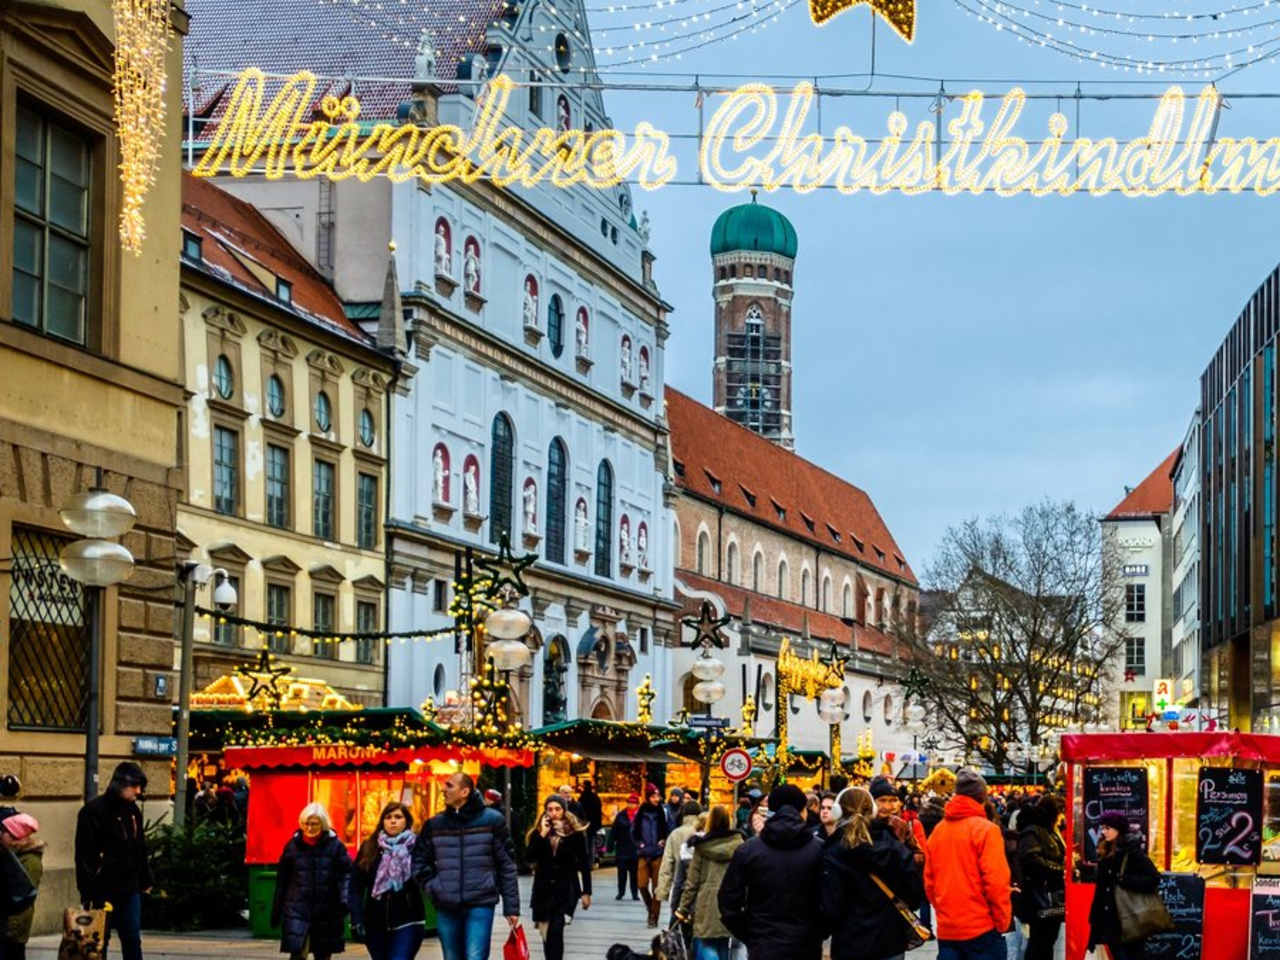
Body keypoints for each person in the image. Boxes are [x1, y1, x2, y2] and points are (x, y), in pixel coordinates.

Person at [413, 772, 520, 960]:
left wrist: (511, 907)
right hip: (446, 903)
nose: (443, 789)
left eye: (449, 785)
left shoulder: (492, 820)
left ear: (465, 791)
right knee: (452, 957)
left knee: (475, 956)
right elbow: (419, 861)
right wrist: (434, 886)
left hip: (481, 902)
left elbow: (507, 865)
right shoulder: (435, 824)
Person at [718, 784, 824, 960]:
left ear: (771, 811)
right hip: (805, 944)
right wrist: (818, 932)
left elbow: (728, 900)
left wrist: (750, 933)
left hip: (763, 942)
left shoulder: (749, 850)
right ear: (803, 811)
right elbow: (830, 899)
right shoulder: (819, 849)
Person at [821, 787, 924, 960]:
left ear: (838, 812)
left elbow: (830, 907)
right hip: (890, 940)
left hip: (850, 942)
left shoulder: (834, 850)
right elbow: (914, 893)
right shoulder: (892, 844)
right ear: (873, 810)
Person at [924, 769, 1012, 960]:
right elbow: (996, 882)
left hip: (948, 928)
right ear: (982, 796)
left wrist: (944, 910)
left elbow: (929, 883)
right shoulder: (987, 831)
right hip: (981, 928)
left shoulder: (938, 831)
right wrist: (1002, 921)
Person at [75, 762, 152, 960]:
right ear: (120, 784)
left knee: (132, 937)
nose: (138, 791)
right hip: (103, 887)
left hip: (130, 886)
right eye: (134, 786)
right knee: (100, 938)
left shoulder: (133, 811)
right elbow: (84, 855)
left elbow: (139, 847)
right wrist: (87, 891)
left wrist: (145, 880)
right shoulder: (93, 812)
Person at [272, 803, 351, 960]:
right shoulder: (292, 847)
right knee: (298, 953)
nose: (309, 828)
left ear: (323, 824)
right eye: (306, 824)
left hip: (327, 910)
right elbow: (283, 880)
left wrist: (344, 902)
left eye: (314, 824)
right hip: (297, 909)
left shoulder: (336, 847)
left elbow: (345, 875)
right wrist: (277, 911)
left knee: (323, 954)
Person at [349, 802, 424, 960]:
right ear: (382, 821)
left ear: (407, 821)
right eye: (388, 817)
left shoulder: (417, 847)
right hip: (375, 922)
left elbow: (427, 877)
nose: (393, 821)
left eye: (398, 817)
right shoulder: (369, 847)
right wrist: (356, 919)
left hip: (408, 920)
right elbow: (355, 887)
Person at [526, 796, 592, 960]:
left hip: (566, 890)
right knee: (546, 934)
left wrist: (586, 892)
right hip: (543, 891)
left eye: (557, 809)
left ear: (564, 810)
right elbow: (529, 857)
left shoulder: (575, 833)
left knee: (556, 931)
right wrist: (542, 833)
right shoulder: (539, 832)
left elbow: (584, 864)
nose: (554, 813)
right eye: (550, 809)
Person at [1087, 814, 1161, 960]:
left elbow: (1154, 878)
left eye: (1108, 828)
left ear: (1118, 829)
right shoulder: (1104, 851)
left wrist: (1125, 880)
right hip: (1111, 922)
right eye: (1102, 828)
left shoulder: (1131, 851)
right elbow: (1100, 893)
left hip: (1131, 919)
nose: (1103, 832)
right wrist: (1094, 930)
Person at [676, 805, 744, 960]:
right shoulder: (739, 846)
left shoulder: (701, 848)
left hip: (706, 904)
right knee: (723, 944)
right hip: (730, 903)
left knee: (706, 944)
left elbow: (692, 883)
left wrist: (683, 909)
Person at [1016, 797, 1065, 960]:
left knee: (1048, 938)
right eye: (1060, 812)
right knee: (1041, 939)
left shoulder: (1050, 831)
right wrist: (1059, 870)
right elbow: (1031, 860)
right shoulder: (1033, 831)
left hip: (1052, 898)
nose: (1062, 817)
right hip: (1040, 899)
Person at [2, 813, 43, 960]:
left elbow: (23, 895)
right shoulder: (13, 855)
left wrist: (10, 927)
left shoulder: (29, 861)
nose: (1, 834)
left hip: (14, 925)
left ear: (14, 835)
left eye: (3, 831)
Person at [657, 800, 702, 925]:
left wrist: (663, 891)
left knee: (677, 921)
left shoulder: (675, 834)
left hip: (679, 885)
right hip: (700, 887)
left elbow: (667, 864)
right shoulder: (704, 832)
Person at [632, 784, 670, 927]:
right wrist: (638, 844)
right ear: (648, 797)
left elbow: (670, 829)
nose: (657, 799)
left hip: (658, 853)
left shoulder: (664, 812)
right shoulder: (640, 812)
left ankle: (653, 917)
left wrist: (664, 840)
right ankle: (651, 908)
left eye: (658, 796)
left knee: (657, 888)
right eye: (653, 796)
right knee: (641, 884)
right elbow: (633, 831)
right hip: (643, 853)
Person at [871, 776, 927, 862]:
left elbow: (919, 853)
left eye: (892, 800)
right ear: (872, 801)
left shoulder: (899, 825)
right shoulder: (861, 825)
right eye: (882, 800)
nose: (887, 806)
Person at [610, 794, 641, 900]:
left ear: (637, 804)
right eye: (629, 802)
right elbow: (614, 831)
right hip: (622, 848)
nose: (631, 805)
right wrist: (610, 845)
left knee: (634, 874)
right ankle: (621, 892)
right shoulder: (621, 815)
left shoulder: (640, 816)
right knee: (621, 873)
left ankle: (635, 893)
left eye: (633, 803)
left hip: (635, 849)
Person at [578, 781, 604, 866]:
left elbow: (579, 812)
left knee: (584, 844)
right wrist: (598, 825)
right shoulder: (595, 797)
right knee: (591, 843)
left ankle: (584, 862)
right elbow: (598, 812)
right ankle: (590, 862)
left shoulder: (582, 798)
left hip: (584, 824)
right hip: (593, 825)